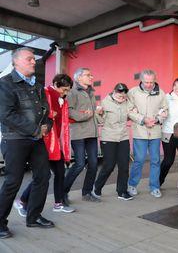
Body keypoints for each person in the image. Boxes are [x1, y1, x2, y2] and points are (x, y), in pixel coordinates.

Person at [0, 47, 54, 238]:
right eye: (29, 59)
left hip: (36, 139)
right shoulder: (5, 84)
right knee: (13, 181)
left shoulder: (37, 86)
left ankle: (33, 216)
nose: (34, 62)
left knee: (43, 176)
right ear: (16, 62)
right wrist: (34, 129)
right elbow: (6, 115)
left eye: (34, 59)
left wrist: (48, 124)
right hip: (15, 140)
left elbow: (45, 112)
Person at [14, 74, 76, 216]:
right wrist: (47, 113)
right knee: (42, 176)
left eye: (67, 90)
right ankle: (22, 200)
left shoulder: (62, 100)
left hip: (56, 143)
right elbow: (33, 113)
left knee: (60, 172)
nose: (65, 93)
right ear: (55, 84)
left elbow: (63, 120)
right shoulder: (44, 93)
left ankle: (58, 203)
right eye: (64, 90)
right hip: (43, 141)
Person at [127, 70, 168, 198]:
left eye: (151, 82)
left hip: (155, 132)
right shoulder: (133, 92)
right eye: (146, 82)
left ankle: (154, 186)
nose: (149, 85)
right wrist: (143, 119)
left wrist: (156, 119)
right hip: (140, 132)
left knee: (155, 160)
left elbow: (165, 110)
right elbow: (129, 111)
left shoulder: (160, 93)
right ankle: (132, 184)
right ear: (141, 80)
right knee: (139, 160)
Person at [63, 68, 102, 203]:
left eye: (91, 74)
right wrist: (85, 115)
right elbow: (69, 111)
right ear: (79, 78)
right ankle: (62, 192)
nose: (91, 77)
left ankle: (87, 193)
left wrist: (98, 114)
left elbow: (92, 112)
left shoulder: (91, 92)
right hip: (78, 133)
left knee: (93, 163)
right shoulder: (72, 92)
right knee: (79, 164)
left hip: (92, 133)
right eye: (88, 75)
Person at [92, 83, 134, 201]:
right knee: (109, 165)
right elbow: (100, 120)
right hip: (108, 137)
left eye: (123, 96)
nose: (122, 98)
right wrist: (98, 114)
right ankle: (97, 187)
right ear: (114, 92)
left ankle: (122, 191)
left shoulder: (127, 102)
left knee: (124, 165)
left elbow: (130, 115)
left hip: (123, 137)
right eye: (119, 95)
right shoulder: (105, 102)